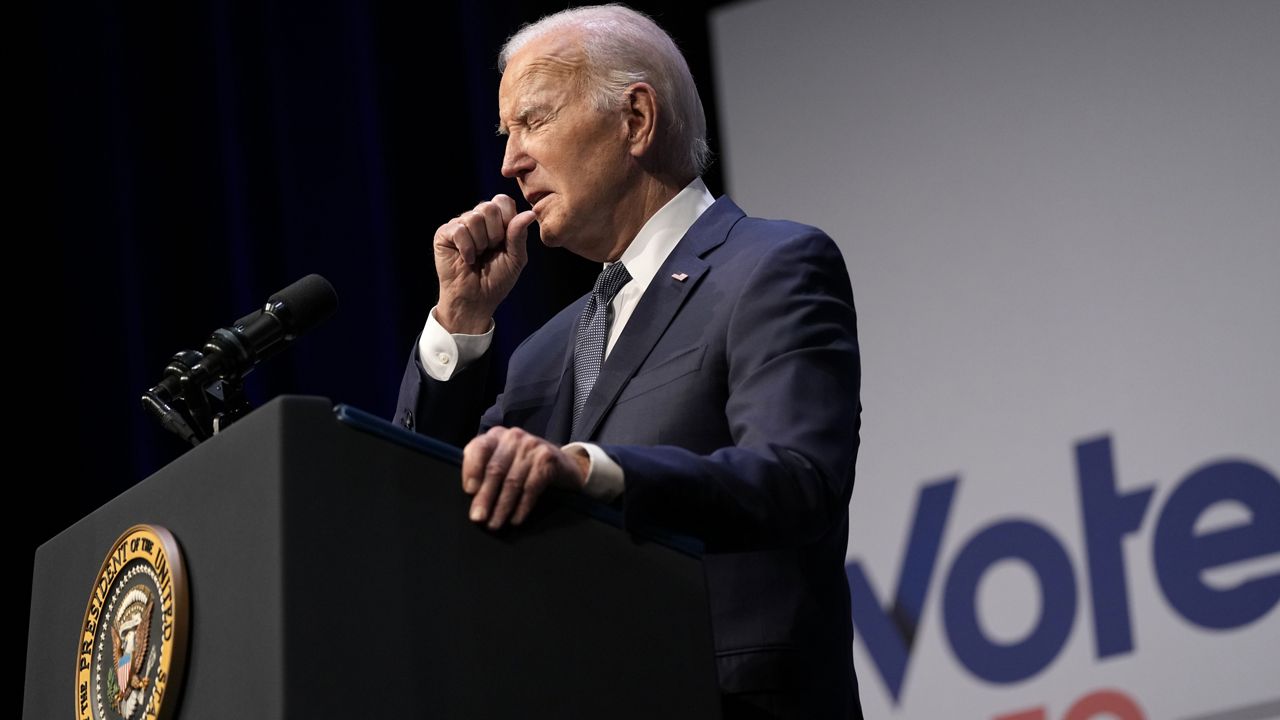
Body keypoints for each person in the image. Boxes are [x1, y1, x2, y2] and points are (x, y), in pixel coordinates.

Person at [394, 5, 862, 717]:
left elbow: (797, 480)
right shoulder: (540, 355)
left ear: (636, 119)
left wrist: (587, 470)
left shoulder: (770, 266)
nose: (509, 162)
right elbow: (418, 499)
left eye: (534, 121)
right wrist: (459, 323)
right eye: (506, 133)